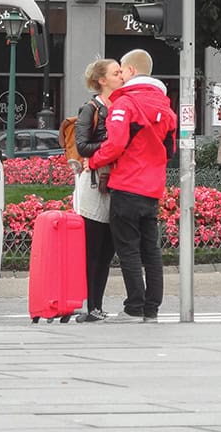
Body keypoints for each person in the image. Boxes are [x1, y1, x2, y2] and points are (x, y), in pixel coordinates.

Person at [87, 49, 177, 324]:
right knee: (151, 251)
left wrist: (93, 161)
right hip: (152, 189)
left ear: (132, 72)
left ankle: (133, 307)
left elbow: (114, 145)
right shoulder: (166, 109)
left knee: (128, 249)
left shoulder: (123, 105)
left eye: (122, 71)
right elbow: (169, 150)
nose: (120, 76)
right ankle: (151, 309)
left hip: (127, 186)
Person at [72, 58, 123, 323]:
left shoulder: (123, 107)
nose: (121, 76)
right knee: (92, 249)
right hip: (94, 185)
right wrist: (110, 149)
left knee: (106, 251)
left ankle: (96, 305)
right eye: (116, 73)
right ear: (101, 80)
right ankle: (89, 304)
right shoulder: (91, 109)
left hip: (116, 184)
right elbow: (82, 146)